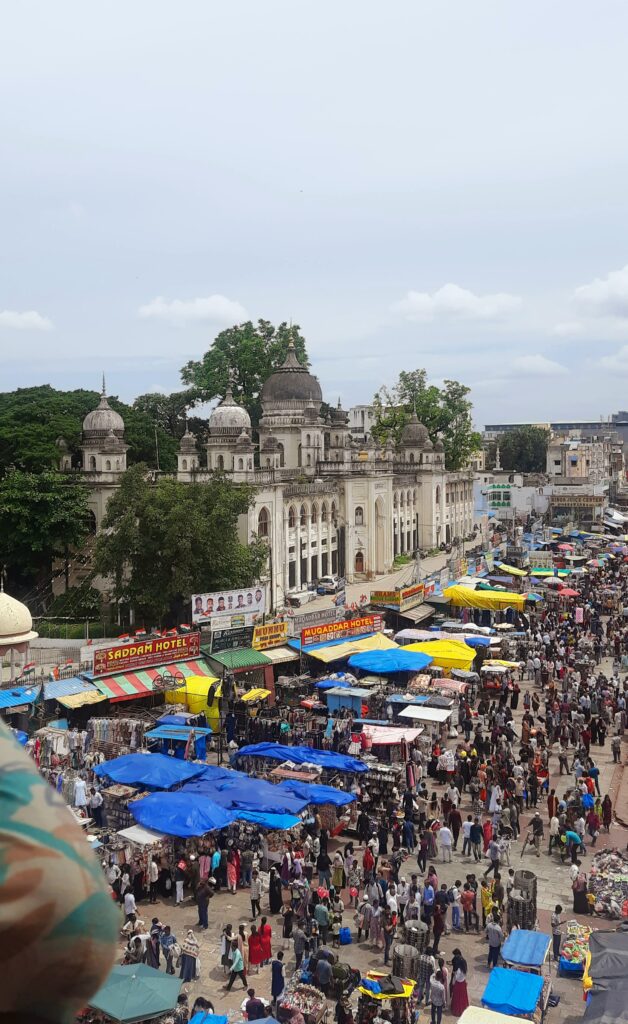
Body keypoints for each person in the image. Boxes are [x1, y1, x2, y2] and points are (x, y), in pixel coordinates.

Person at [450, 949, 469, 1015]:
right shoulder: (464, 968)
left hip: (458, 984)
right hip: (463, 983)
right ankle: (463, 1007)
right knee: (462, 997)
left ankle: (457, 1010)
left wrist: (454, 973)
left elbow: (456, 978)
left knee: (457, 998)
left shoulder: (458, 970)